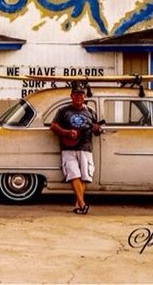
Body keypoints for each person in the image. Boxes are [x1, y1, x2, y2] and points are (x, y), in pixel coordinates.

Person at [50, 82, 101, 214]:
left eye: (81, 95)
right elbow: (54, 126)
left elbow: (96, 130)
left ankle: (78, 204)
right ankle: (83, 204)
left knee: (83, 176)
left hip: (85, 147)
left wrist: (97, 129)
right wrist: (67, 133)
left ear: (84, 97)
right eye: (76, 95)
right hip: (68, 148)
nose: (79, 97)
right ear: (71, 96)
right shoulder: (63, 111)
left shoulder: (91, 112)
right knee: (73, 174)